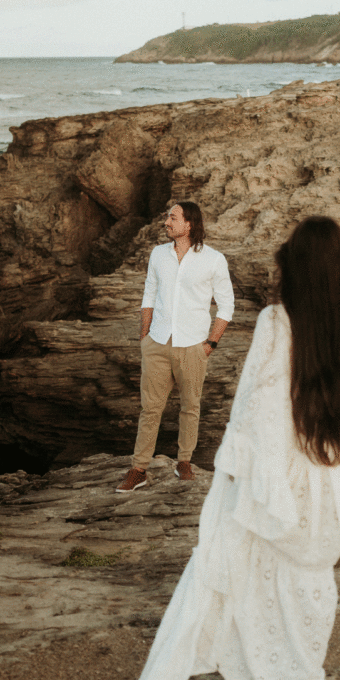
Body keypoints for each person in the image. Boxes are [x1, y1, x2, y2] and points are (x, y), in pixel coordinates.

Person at [134, 216, 340, 680]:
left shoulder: (276, 322)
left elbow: (253, 411)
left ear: (295, 269)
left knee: (267, 581)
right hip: (339, 476)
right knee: (313, 581)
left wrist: (243, 477)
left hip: (286, 478)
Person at [116, 201, 235, 491]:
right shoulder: (158, 254)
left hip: (193, 345)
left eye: (173, 217)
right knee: (150, 409)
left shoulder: (214, 259)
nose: (167, 222)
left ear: (189, 224)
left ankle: (184, 461)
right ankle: (139, 469)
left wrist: (210, 344)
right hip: (157, 341)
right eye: (168, 216)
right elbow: (149, 293)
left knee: (190, 406)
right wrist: (145, 335)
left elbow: (227, 305)